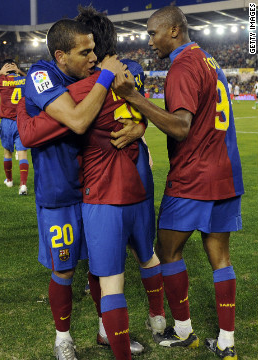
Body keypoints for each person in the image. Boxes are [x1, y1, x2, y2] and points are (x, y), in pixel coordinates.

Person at [17, 8, 166, 359]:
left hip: (94, 188)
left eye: (94, 50)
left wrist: (140, 128)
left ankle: (106, 329)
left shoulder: (93, 74)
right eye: (85, 52)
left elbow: (122, 110)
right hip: (60, 192)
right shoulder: (42, 74)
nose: (93, 57)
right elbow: (77, 121)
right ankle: (62, 337)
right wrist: (103, 82)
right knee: (65, 267)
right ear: (61, 55)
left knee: (103, 265)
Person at [112, 6, 244, 360]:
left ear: (172, 30)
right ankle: (227, 342)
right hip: (225, 174)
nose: (149, 41)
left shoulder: (182, 65)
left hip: (193, 177)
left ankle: (183, 331)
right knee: (221, 258)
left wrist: (134, 98)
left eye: (153, 33)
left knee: (167, 249)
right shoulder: (208, 60)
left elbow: (182, 127)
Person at [0, 59, 29, 195]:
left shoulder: (1, 80)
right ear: (15, 68)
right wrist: (20, 71)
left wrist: (0, 72)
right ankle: (23, 186)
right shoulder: (24, 80)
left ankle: (9, 180)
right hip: (22, 121)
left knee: (7, 153)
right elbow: (33, 79)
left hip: (7, 122)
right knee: (22, 153)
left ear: (5, 68)